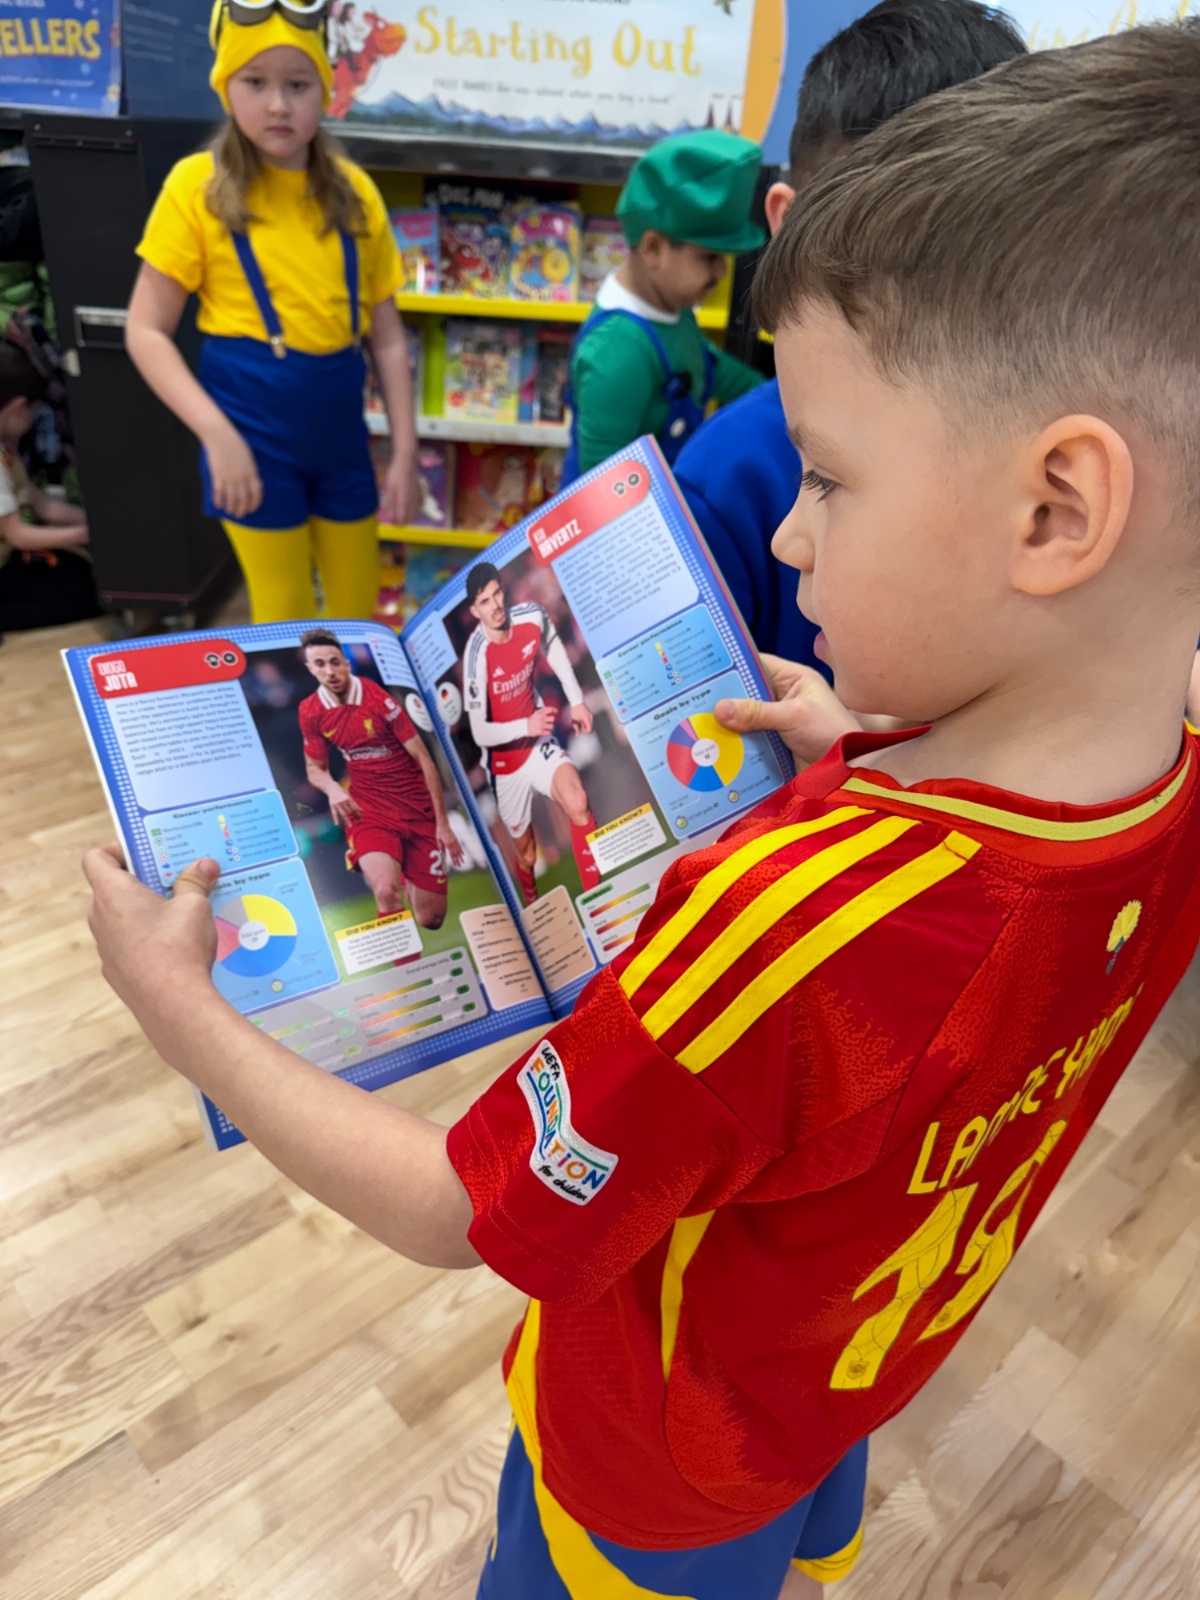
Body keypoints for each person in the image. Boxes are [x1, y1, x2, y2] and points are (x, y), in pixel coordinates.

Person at [84, 24, 1200, 1599]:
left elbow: (455, 1208)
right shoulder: (1170, 784)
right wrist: (857, 742)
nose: (789, 538)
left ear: (1054, 508)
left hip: (656, 1469)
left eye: (826, 479)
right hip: (839, 1369)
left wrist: (183, 1013)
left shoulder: (778, 926)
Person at [674, 0, 1027, 665]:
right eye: (867, 254)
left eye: (966, 253)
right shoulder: (725, 482)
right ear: (787, 229)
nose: (919, 302)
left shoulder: (1067, 457)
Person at [125, 0, 420, 626]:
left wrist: (403, 453)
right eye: (256, 82)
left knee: (358, 612)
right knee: (284, 621)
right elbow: (145, 330)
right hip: (250, 435)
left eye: (298, 85)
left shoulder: (356, 193)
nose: (279, 105)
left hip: (341, 438)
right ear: (225, 86)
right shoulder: (195, 187)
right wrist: (217, 435)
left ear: (327, 90)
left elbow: (390, 341)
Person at [562, 129, 766, 483]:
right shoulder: (617, 352)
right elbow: (601, 490)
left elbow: (706, 365)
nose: (721, 271)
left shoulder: (670, 306)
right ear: (653, 249)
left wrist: (777, 399)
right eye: (709, 257)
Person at [297, 628, 461, 928]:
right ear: (310, 669)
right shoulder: (310, 710)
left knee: (431, 918)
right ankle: (405, 962)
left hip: (415, 807)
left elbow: (424, 759)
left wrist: (443, 824)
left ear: (346, 663)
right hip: (368, 810)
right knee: (385, 891)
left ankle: (404, 868)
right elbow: (314, 768)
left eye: (334, 662)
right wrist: (333, 788)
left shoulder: (376, 698)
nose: (329, 671)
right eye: (320, 664)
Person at [461, 561, 599, 905]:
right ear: (475, 611)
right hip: (506, 755)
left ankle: (599, 897)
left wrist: (576, 702)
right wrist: (526, 726)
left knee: (577, 800)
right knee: (525, 852)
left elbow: (557, 652)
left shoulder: (531, 617)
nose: (495, 606)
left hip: (540, 742)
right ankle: (531, 897)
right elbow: (480, 731)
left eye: (497, 595)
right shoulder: (476, 657)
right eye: (485, 602)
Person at [0, 343, 97, 633]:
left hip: (9, 557)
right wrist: (83, 533)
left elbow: (44, 507)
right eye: (33, 412)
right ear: (18, 408)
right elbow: (19, 535)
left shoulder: (6, 450)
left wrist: (95, 522)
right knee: (83, 597)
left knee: (80, 572)